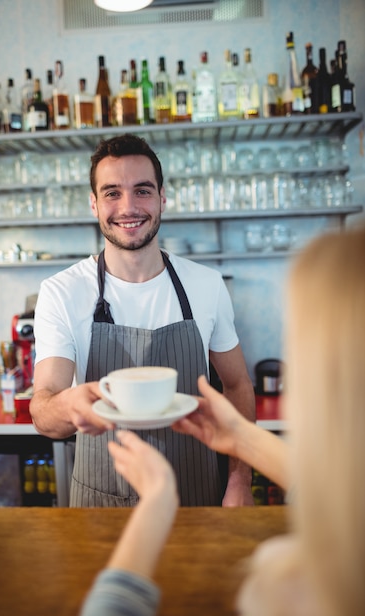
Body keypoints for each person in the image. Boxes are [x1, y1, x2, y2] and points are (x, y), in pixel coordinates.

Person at [78, 225, 365, 616]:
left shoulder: (289, 590)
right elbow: (328, 494)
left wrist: (159, 500)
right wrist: (244, 440)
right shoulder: (344, 529)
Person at [30, 133, 255, 507]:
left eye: (143, 190)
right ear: (94, 204)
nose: (129, 206)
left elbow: (237, 386)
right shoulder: (61, 292)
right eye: (112, 192)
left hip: (195, 499)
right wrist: (71, 405)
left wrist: (239, 480)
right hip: (100, 504)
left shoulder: (206, 285)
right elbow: (43, 410)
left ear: (162, 198)